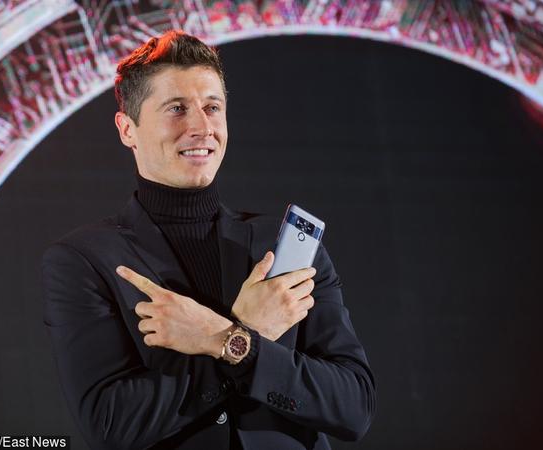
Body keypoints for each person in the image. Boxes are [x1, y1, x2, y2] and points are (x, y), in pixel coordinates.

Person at [41, 30, 376, 450]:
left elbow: (354, 407)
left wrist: (228, 339)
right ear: (128, 129)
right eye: (176, 108)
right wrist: (246, 333)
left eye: (212, 107)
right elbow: (112, 425)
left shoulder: (280, 245)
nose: (202, 127)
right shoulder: (84, 260)